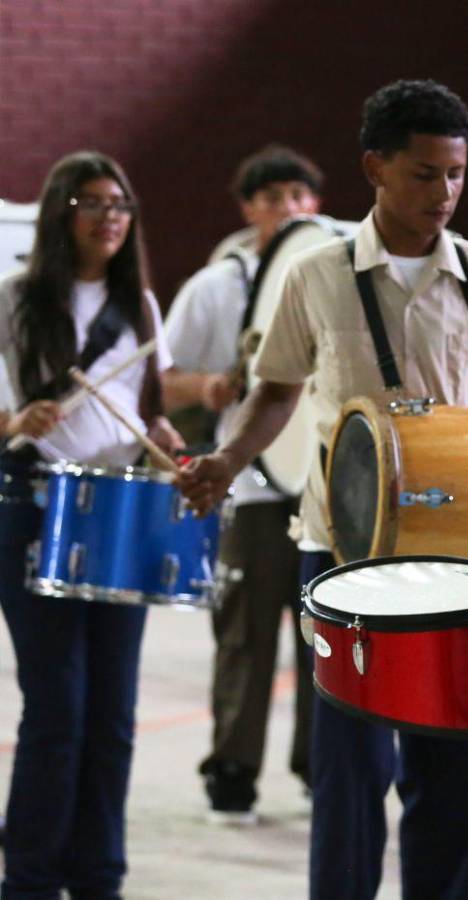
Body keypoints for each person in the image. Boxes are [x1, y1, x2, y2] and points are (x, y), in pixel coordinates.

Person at [176, 79, 468, 899]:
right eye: (424, 174)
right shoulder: (316, 275)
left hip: (463, 563)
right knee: (349, 769)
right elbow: (276, 391)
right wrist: (224, 463)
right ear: (375, 167)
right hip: (342, 552)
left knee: (458, 772)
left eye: (456, 175)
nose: (444, 194)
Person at [0, 151, 182, 898]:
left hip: (122, 508)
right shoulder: (17, 299)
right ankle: (32, 879)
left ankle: (98, 873)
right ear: (60, 213)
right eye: (91, 203)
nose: (109, 216)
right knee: (58, 709)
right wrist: (18, 418)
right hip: (35, 502)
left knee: (113, 712)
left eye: (119, 204)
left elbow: (153, 409)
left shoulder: (138, 305)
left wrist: (169, 439)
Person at [162, 144, 323, 823]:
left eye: (299, 195)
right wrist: (208, 386)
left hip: (319, 487)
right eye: (273, 196)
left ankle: (322, 767)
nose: (288, 207)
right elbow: (164, 384)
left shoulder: (330, 270)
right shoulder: (214, 287)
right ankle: (232, 772)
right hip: (252, 487)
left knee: (326, 637)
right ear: (248, 208)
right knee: (245, 638)